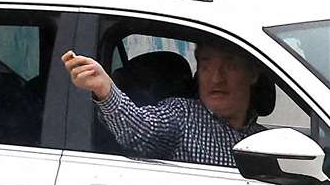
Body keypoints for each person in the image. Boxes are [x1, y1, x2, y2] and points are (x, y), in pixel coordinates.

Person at [61, 41, 266, 168]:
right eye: (205, 65)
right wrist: (105, 89)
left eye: (229, 66)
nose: (216, 79)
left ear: (253, 74)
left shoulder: (266, 141)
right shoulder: (183, 115)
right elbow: (139, 129)